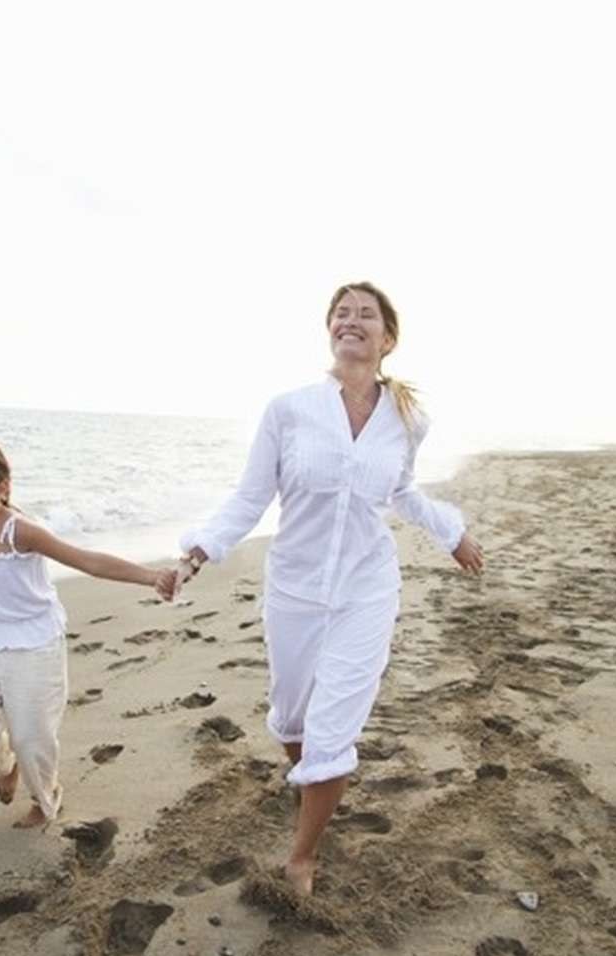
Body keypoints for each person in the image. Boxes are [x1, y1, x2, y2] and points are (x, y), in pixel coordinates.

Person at [176, 281, 483, 894]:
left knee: (333, 727)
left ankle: (304, 855)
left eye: (366, 314)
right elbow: (251, 496)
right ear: (330, 331)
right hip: (293, 587)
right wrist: (198, 552)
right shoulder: (288, 409)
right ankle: (311, 789)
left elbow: (402, 491)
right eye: (342, 313)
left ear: (386, 338)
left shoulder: (406, 420)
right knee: (292, 720)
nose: (352, 320)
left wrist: (450, 532)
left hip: (366, 588)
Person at [0, 438, 178, 828]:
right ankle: (7, 767)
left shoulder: (20, 532)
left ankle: (45, 800)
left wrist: (152, 577)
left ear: (3, 488)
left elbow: (87, 561)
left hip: (36, 642)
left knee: (32, 739)